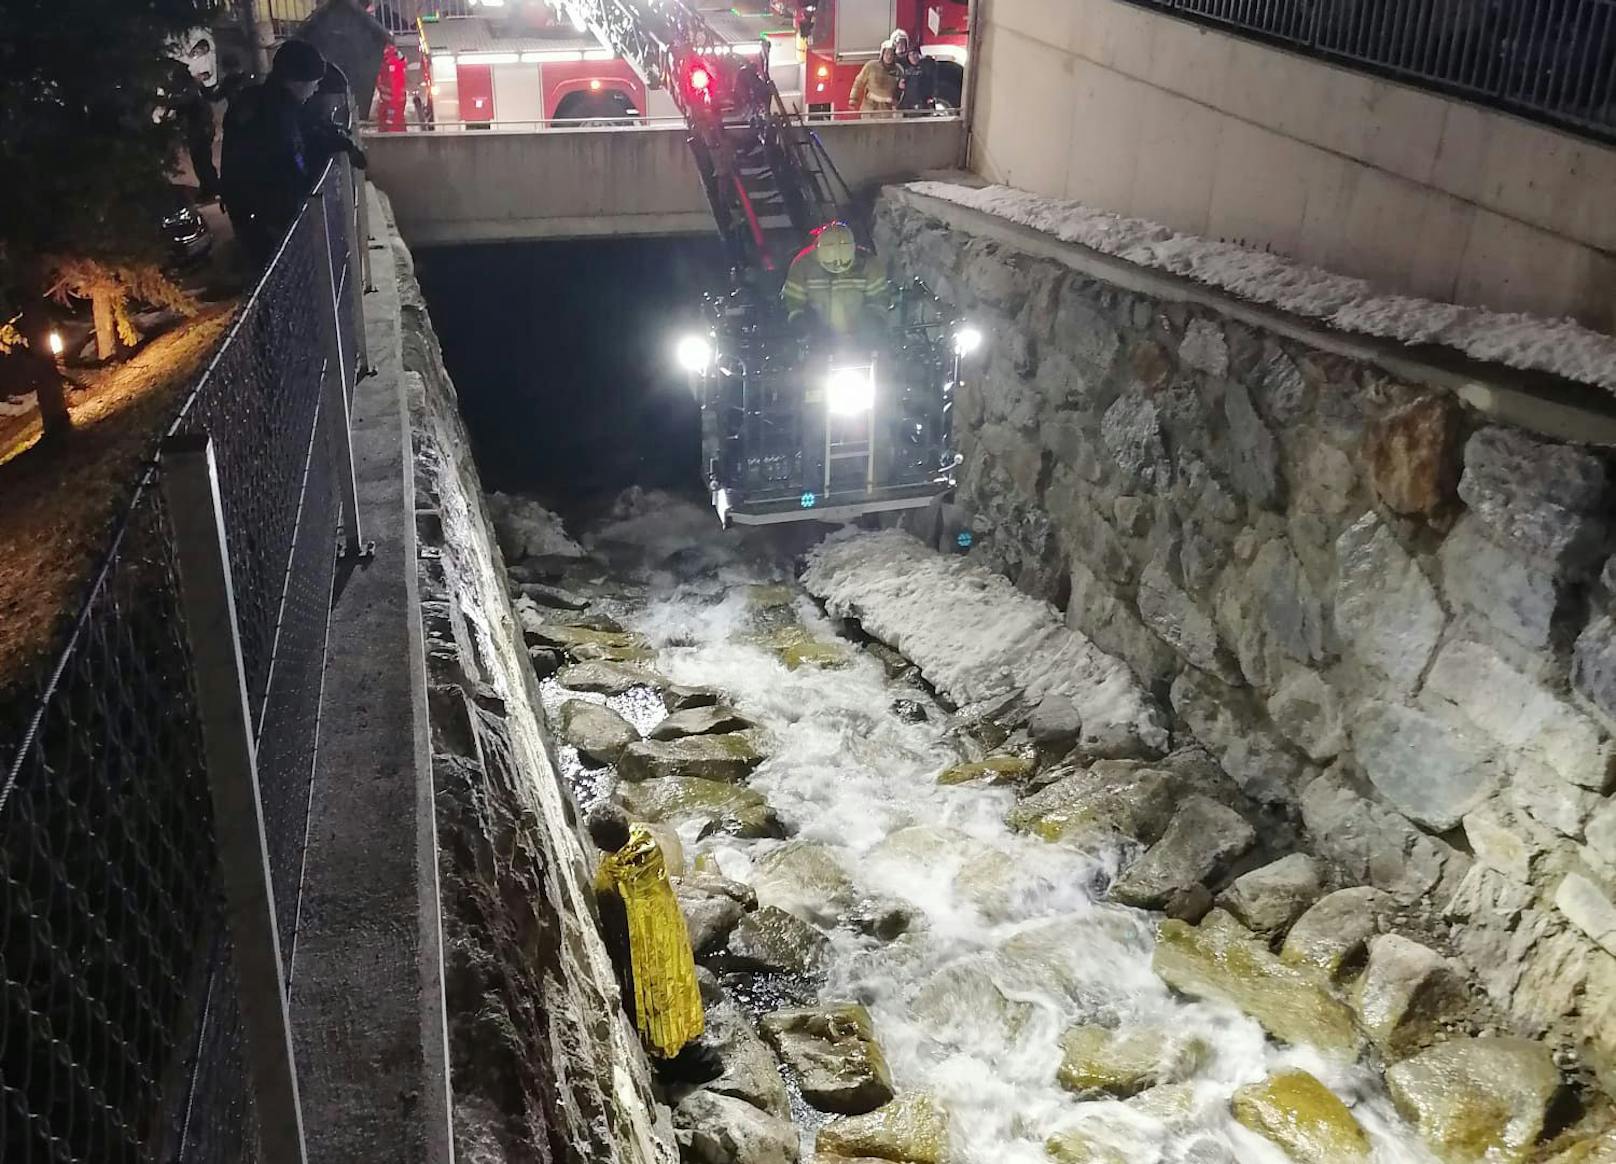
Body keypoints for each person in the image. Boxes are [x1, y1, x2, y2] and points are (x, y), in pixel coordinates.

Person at [588, 806, 707, 1065]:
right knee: (677, 978)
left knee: (655, 995)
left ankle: (664, 1047)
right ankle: (687, 1028)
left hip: (643, 943)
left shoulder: (610, 875)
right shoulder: (647, 842)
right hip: (668, 926)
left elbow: (613, 922)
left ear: (600, 842)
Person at [219, 39, 327, 267]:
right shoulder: (275, 114)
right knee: (281, 275)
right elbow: (287, 161)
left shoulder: (262, 101)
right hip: (268, 219)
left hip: (252, 212)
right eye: (314, 82)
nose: (316, 88)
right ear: (296, 82)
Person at [781, 221, 891, 337]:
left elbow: (879, 297)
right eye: (830, 264)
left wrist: (874, 322)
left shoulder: (870, 266)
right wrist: (800, 322)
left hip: (858, 336)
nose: (837, 267)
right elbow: (792, 299)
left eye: (844, 263)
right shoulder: (802, 266)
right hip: (817, 337)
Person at [163, 58, 220, 200]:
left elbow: (183, 103)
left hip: (200, 128)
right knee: (202, 160)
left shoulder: (189, 87)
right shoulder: (191, 86)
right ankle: (211, 188)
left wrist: (168, 110)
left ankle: (210, 189)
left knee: (202, 160)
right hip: (201, 127)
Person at [300, 61, 369, 173]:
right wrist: (344, 144)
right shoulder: (295, 122)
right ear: (316, 93)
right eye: (336, 96)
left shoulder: (315, 119)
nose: (340, 103)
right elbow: (313, 139)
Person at [848, 42, 900, 116]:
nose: (889, 56)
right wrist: (853, 98)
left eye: (892, 54)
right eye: (887, 53)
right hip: (870, 109)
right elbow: (859, 82)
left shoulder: (898, 70)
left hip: (887, 111)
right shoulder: (871, 66)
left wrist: (896, 102)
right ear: (882, 54)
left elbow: (900, 90)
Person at [898, 46, 937, 114]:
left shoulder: (927, 66)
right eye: (910, 55)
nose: (913, 57)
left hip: (923, 104)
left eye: (914, 54)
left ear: (919, 55)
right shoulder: (907, 70)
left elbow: (933, 84)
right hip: (909, 105)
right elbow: (902, 85)